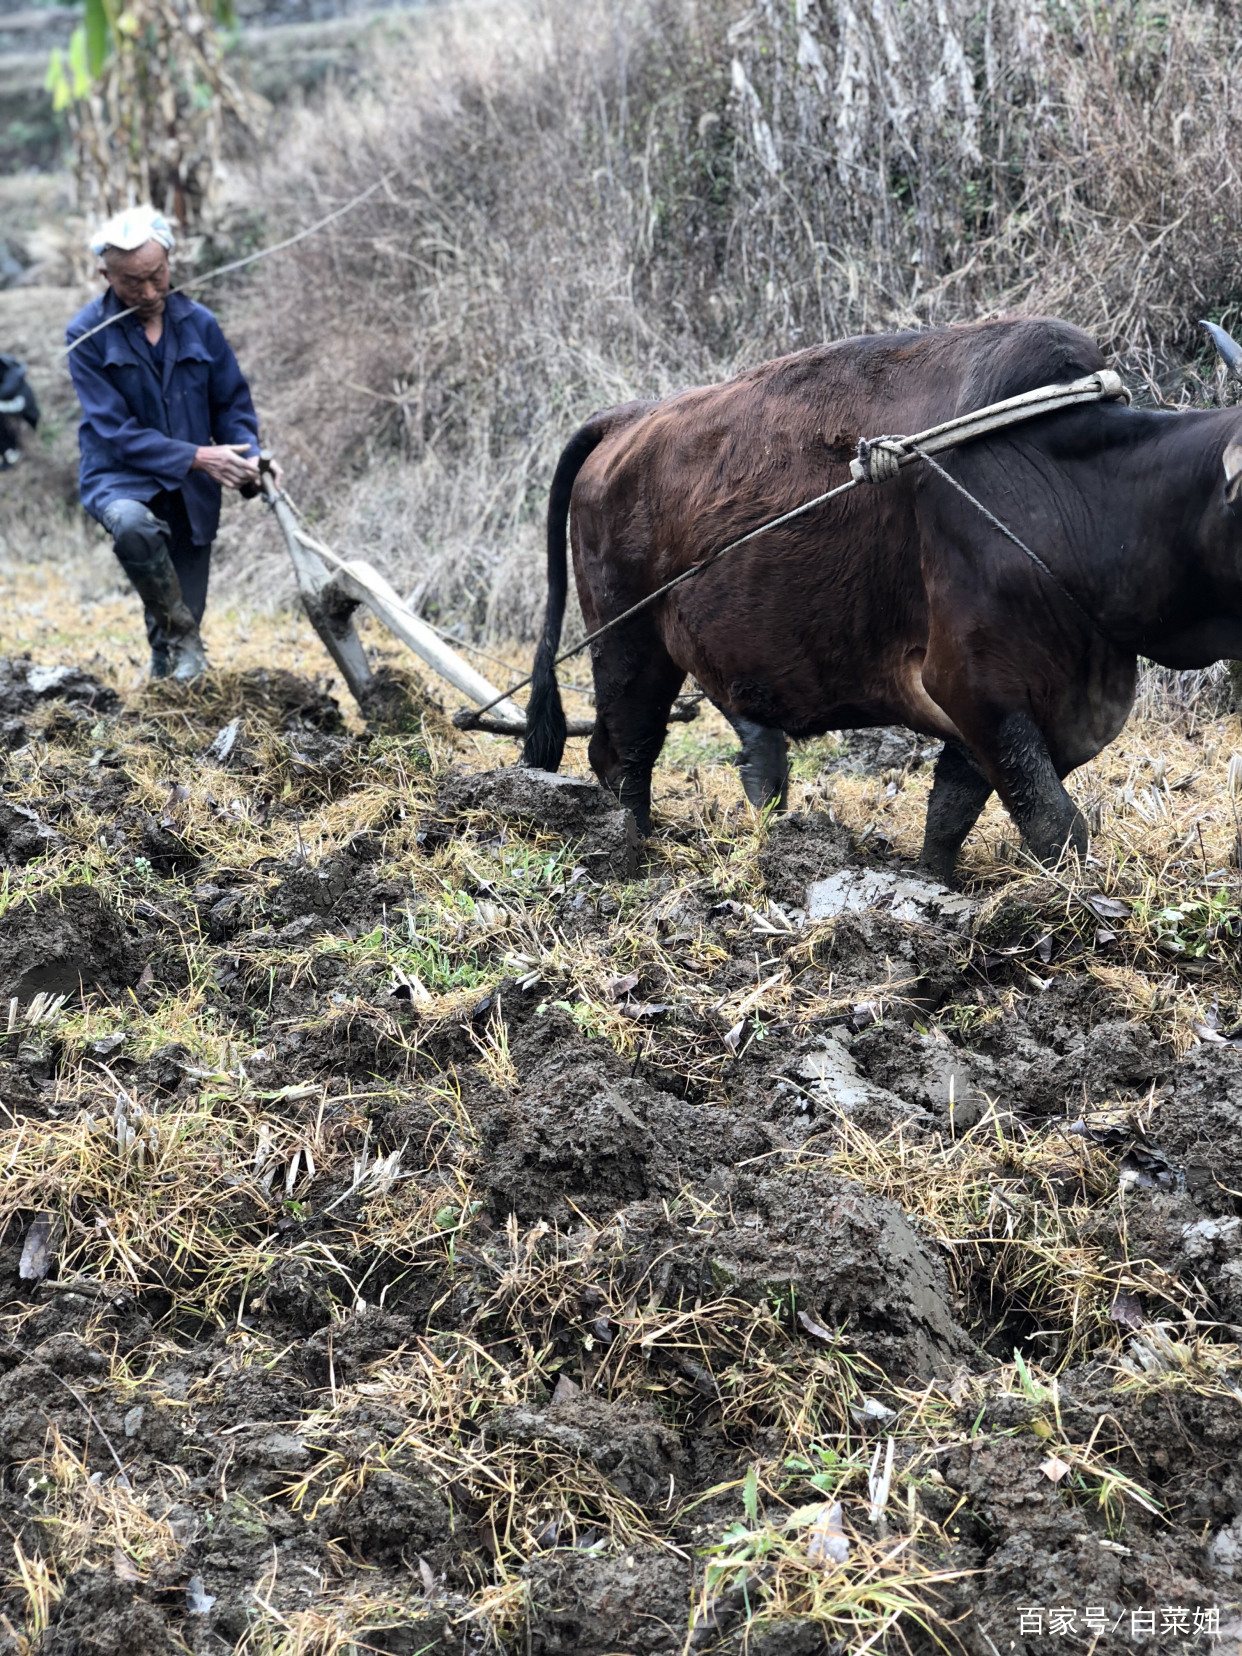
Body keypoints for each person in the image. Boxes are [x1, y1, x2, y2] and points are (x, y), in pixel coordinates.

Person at [65, 205, 279, 680]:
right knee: (133, 526)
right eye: (131, 282)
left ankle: (169, 686)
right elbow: (114, 430)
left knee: (183, 619)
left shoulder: (201, 323)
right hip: (121, 476)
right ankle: (179, 647)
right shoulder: (86, 335)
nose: (147, 292)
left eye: (156, 276)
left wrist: (250, 459)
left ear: (169, 263)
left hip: (191, 485)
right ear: (106, 274)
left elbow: (231, 406)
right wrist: (198, 457)